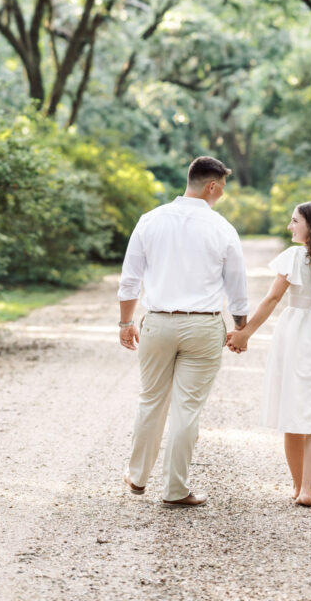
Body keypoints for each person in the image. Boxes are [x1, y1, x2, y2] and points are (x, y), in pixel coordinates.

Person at [118, 156, 249, 507]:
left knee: (151, 399)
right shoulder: (222, 228)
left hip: (158, 321)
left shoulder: (150, 220)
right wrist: (240, 327)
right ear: (211, 185)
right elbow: (237, 285)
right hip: (203, 325)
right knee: (187, 409)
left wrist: (125, 322)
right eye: (221, 187)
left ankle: (138, 476)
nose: (222, 193)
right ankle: (176, 489)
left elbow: (130, 279)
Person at [226, 201, 311, 506]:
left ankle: (298, 486)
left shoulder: (293, 257)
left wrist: (245, 333)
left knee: (293, 411)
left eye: (294, 221)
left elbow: (273, 298)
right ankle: (308, 489)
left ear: (310, 226)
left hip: (296, 334)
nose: (290, 226)